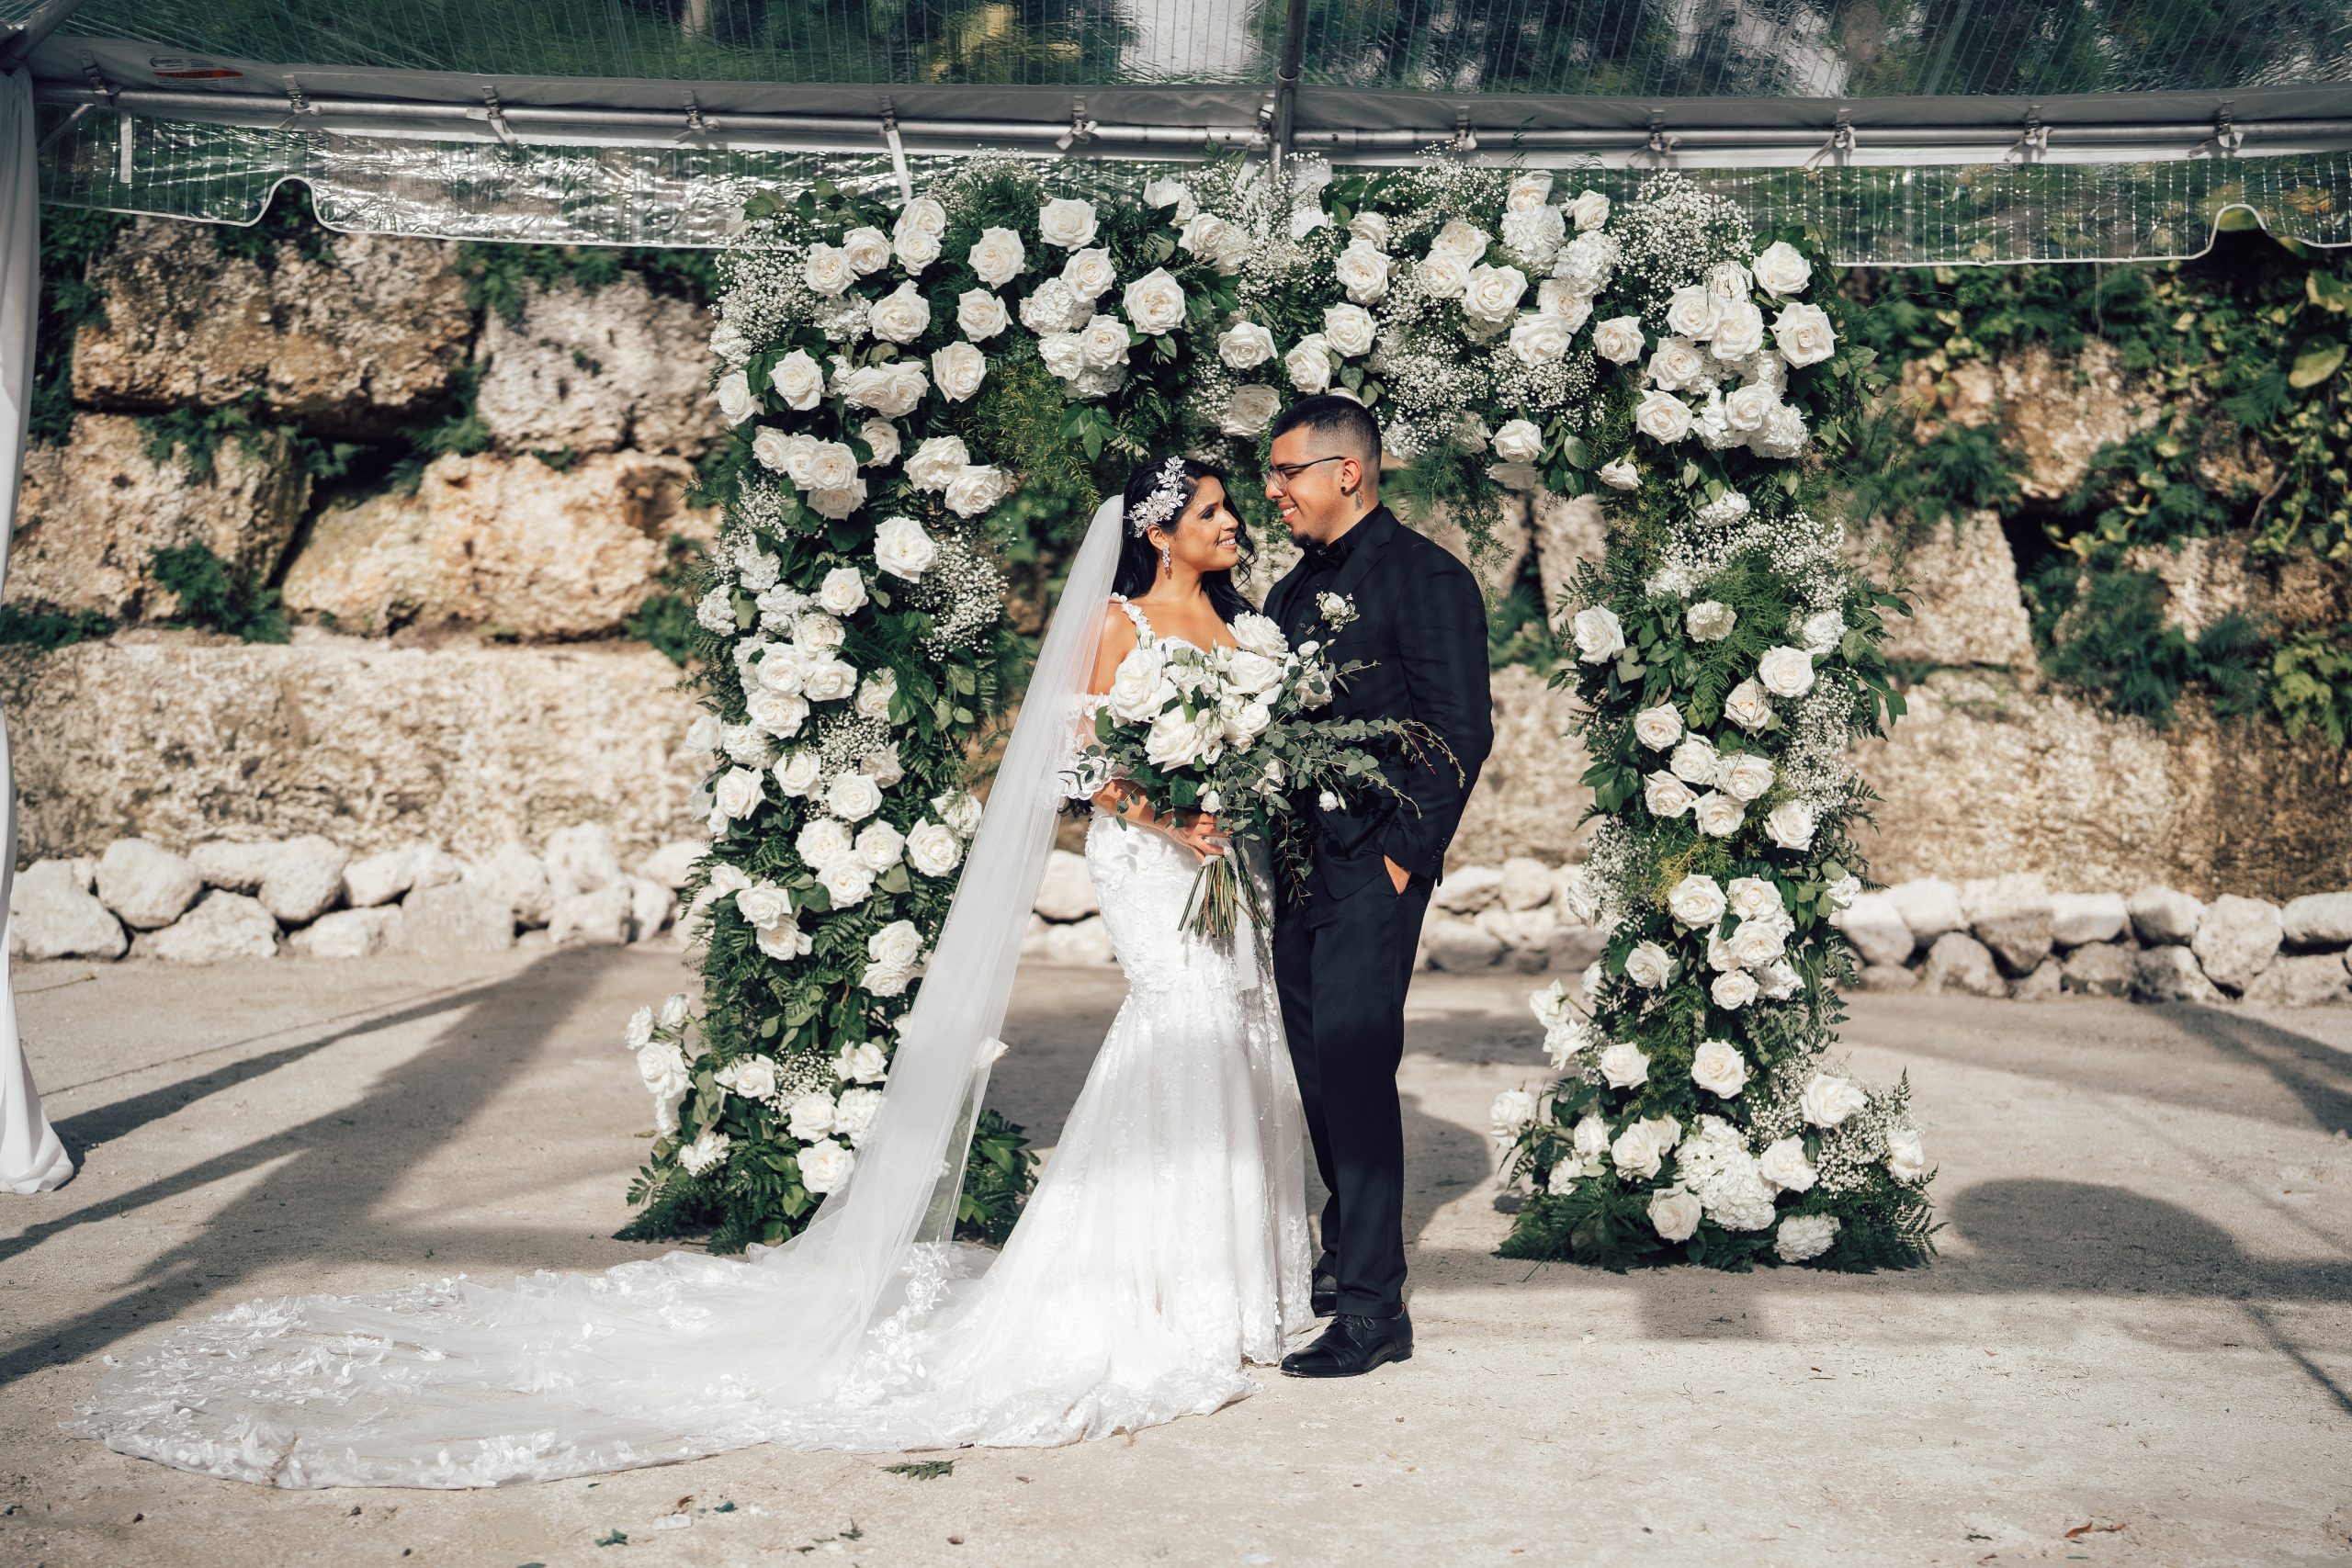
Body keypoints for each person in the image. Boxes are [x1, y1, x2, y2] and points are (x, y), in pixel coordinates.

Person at [71, 457, 1311, 1486]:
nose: (1231, 524)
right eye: (1211, 510)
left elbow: (1254, 739)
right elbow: (1072, 768)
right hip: (1153, 861)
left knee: (1241, 1019)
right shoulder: (1116, 625)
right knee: (1181, 1016)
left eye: (1229, 511)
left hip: (1227, 858)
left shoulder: (1245, 627)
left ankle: (1232, 1287)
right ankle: (1138, 1288)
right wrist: (1171, 814)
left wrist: (1234, 800)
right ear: (1158, 530)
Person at [1261, 395, 1494, 1379]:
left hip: (1373, 861)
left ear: (1346, 471)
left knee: (1356, 1065)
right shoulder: (1287, 593)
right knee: (1316, 1066)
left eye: (1286, 473)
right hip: (1294, 862)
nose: (1272, 492)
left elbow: (1461, 726)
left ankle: (1371, 1310)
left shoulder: (1428, 577)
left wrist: (1403, 855)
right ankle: (1345, 1241)